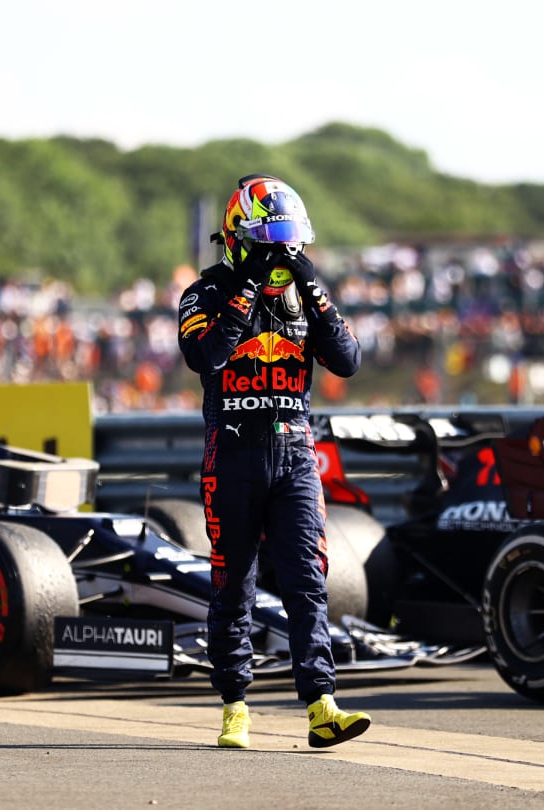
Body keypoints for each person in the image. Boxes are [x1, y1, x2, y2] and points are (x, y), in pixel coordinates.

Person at [177, 174, 370, 749]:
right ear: (239, 238)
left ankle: (322, 704)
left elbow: (349, 361)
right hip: (230, 457)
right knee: (233, 585)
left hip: (295, 457)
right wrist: (247, 291)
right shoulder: (203, 293)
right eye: (270, 242)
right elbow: (204, 357)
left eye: (291, 244)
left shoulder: (304, 294)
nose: (283, 254)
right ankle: (235, 707)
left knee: (307, 581)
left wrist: (314, 292)